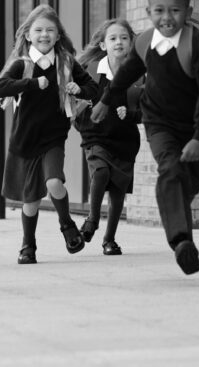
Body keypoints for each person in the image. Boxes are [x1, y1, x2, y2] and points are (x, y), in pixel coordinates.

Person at [92, 0, 199, 275]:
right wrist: (105, 100)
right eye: (159, 10)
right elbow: (125, 74)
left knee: (187, 179)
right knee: (170, 168)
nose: (166, 17)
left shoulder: (196, 45)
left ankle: (190, 184)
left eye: (174, 10)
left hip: (191, 126)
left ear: (188, 12)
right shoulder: (145, 41)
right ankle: (181, 242)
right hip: (158, 121)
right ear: (149, 12)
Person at [0, 4, 99, 264]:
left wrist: (78, 89)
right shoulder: (22, 64)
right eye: (38, 30)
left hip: (53, 137)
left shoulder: (66, 63)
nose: (44, 34)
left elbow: (93, 88)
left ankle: (67, 226)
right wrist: (30, 84)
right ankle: (28, 246)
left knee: (53, 182)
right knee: (31, 202)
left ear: (58, 36)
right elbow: (0, 87)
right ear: (28, 34)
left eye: (50, 30)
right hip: (24, 140)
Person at [73, 18, 143, 255]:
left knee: (117, 192)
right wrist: (80, 119)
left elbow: (150, 111)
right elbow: (74, 103)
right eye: (113, 38)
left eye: (124, 38)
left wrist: (132, 114)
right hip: (95, 135)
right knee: (101, 171)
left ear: (131, 43)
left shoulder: (139, 75)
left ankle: (109, 240)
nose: (119, 42)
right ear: (103, 45)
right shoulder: (90, 72)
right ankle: (92, 220)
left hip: (125, 140)